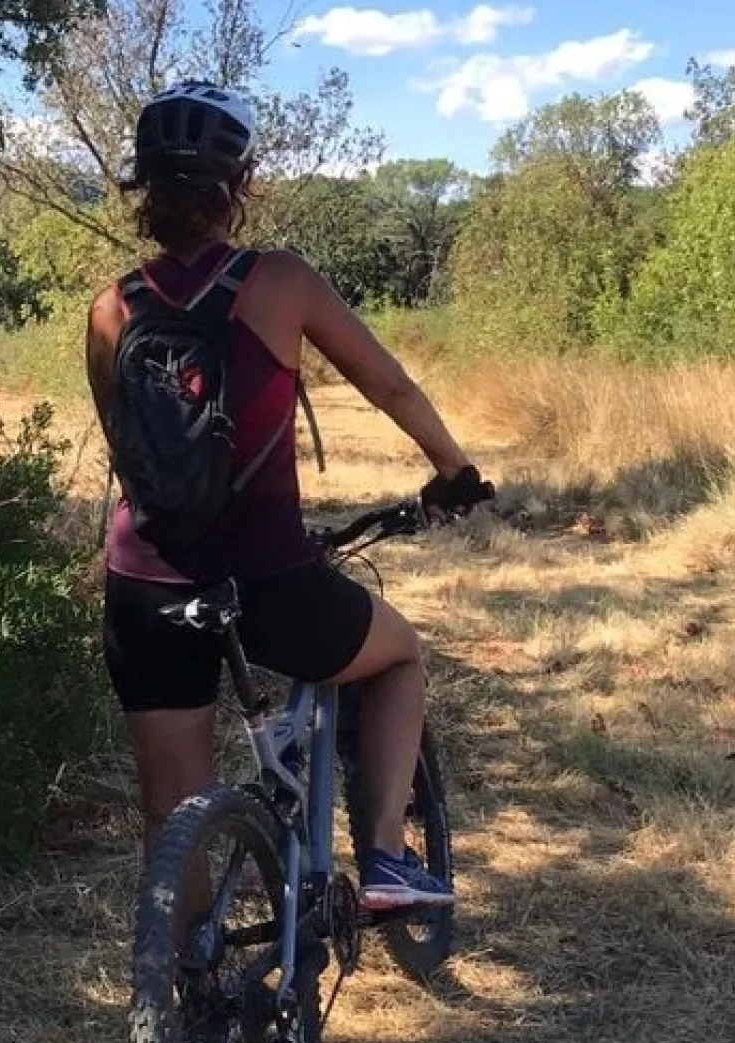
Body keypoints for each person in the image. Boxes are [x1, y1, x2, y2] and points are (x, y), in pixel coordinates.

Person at [87, 81, 490, 918]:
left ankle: (192, 1000)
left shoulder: (109, 310)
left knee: (173, 814)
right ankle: (384, 854)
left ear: (144, 190)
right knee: (402, 654)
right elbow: (391, 386)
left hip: (145, 587)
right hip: (267, 578)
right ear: (239, 186)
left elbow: (130, 451)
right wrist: (454, 469)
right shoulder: (280, 281)